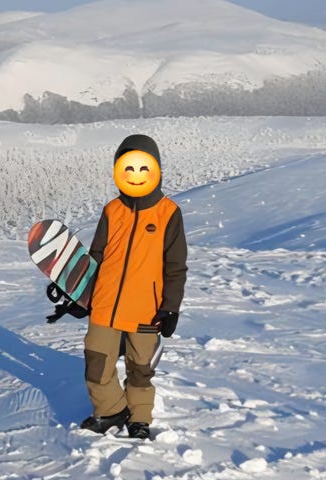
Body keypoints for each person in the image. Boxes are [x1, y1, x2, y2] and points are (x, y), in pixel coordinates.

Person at [79, 134, 187, 439]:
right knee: (97, 363)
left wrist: (170, 307)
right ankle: (110, 410)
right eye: (128, 166)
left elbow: (175, 266)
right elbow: (96, 256)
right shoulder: (112, 210)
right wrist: (82, 295)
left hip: (146, 308)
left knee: (141, 368)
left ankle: (139, 417)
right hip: (104, 304)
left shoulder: (168, 213)